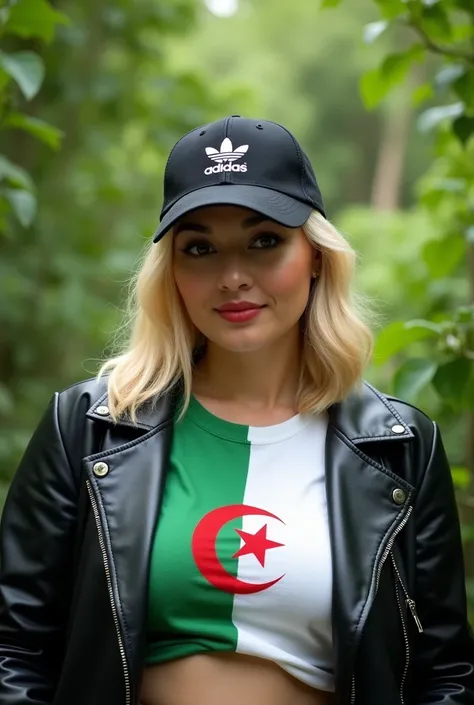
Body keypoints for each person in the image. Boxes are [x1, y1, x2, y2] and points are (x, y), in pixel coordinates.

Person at [0, 115, 473, 705]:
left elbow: (445, 673)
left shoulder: (399, 444)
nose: (232, 277)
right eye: (199, 248)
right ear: (171, 273)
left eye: (265, 241)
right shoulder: (88, 427)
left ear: (317, 257)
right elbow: (14, 647)